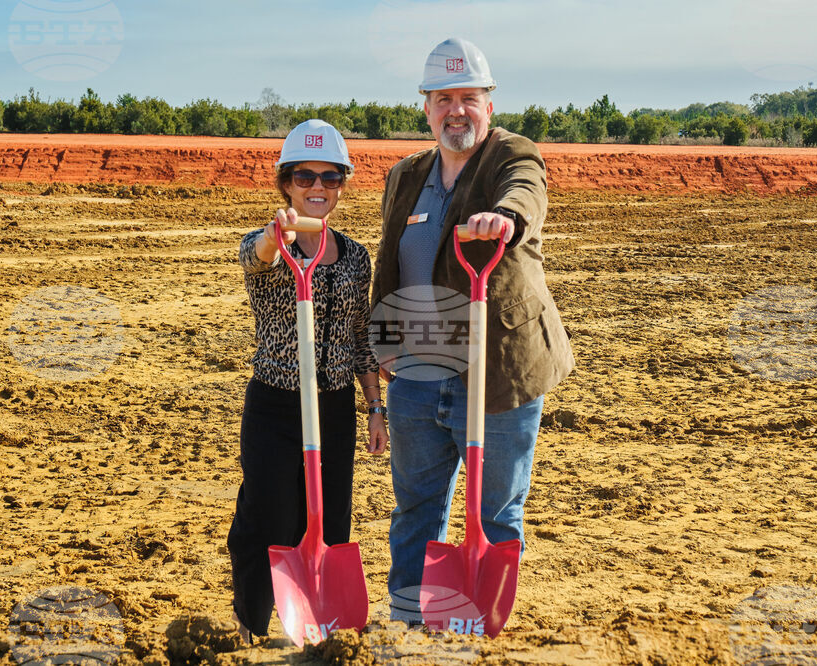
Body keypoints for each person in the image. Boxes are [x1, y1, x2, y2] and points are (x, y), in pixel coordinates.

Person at [371, 37, 575, 621]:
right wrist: (385, 344)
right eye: (443, 99)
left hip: (498, 367)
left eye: (468, 98)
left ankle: (480, 624)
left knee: (495, 511)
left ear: (489, 103)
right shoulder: (406, 174)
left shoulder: (514, 155)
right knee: (415, 507)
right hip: (417, 370)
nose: (455, 110)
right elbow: (390, 261)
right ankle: (409, 620)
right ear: (426, 106)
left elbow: (526, 193)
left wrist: (503, 218)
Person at [227, 119, 388, 641]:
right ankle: (249, 622)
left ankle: (319, 625)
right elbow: (253, 256)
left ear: (342, 183)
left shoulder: (356, 256)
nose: (317, 187)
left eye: (330, 177)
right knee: (267, 517)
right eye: (304, 176)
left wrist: (374, 407)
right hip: (276, 406)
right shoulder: (271, 245)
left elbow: (360, 335)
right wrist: (279, 237)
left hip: (336, 404)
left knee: (330, 521)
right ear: (286, 183)